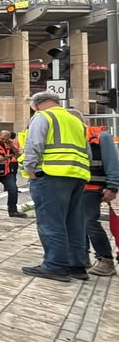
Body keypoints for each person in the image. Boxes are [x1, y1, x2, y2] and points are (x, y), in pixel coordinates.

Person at [21, 92, 91, 282]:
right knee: (74, 222)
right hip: (77, 176)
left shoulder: (43, 116)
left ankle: (55, 265)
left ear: (36, 105)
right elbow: (87, 151)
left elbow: (34, 144)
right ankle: (77, 265)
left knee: (51, 222)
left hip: (51, 175)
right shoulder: (76, 121)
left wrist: (30, 169)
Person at [65, 109, 118, 276]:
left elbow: (112, 163)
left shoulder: (101, 137)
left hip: (93, 188)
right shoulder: (69, 138)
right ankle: (81, 256)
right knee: (76, 224)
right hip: (75, 188)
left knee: (89, 222)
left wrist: (112, 187)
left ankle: (105, 260)